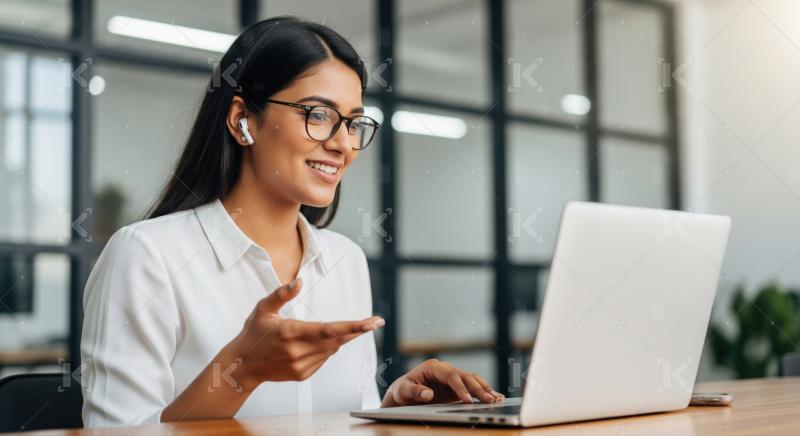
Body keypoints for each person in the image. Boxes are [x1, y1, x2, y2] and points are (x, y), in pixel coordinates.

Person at [80, 16, 503, 428]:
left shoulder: (345, 258)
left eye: (354, 122)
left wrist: (396, 410)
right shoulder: (147, 254)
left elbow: (345, 416)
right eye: (318, 115)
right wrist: (241, 369)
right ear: (242, 119)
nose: (343, 144)